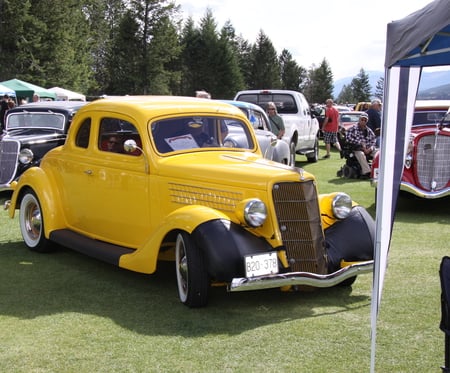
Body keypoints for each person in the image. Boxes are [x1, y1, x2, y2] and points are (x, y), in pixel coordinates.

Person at [345, 112, 376, 178]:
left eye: (365, 120)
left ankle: (378, 170)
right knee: (361, 154)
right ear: (359, 120)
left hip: (368, 148)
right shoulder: (353, 129)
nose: (363, 121)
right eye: (362, 119)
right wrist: (361, 143)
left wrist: (370, 148)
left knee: (378, 154)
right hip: (357, 148)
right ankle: (367, 172)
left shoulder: (369, 130)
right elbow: (348, 138)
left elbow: (373, 141)